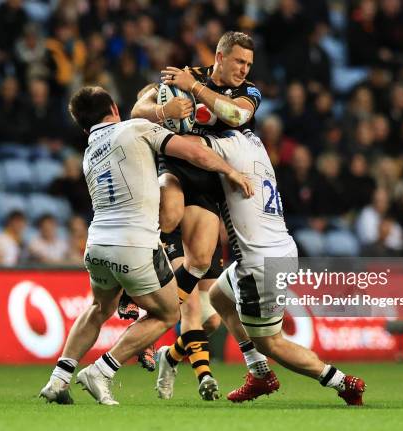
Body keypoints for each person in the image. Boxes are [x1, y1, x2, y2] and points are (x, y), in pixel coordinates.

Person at [39, 86, 252, 406]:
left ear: (85, 126)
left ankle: (58, 379)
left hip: (96, 245)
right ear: (113, 106)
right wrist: (230, 170)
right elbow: (192, 152)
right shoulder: (134, 128)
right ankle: (102, 370)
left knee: (99, 308)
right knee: (166, 313)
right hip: (134, 243)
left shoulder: (88, 152)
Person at [131, 31, 262, 400]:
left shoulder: (248, 93)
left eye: (249, 64)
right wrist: (162, 112)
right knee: (188, 300)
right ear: (219, 56)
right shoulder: (184, 76)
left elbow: (235, 116)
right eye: (239, 61)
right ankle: (202, 374)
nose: (244, 70)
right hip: (175, 171)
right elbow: (137, 109)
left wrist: (197, 89)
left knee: (211, 312)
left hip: (209, 189)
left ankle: (168, 358)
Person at [204, 129, 366, 405]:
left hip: (259, 260)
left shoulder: (224, 147)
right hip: (276, 248)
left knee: (271, 343)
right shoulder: (254, 144)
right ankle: (259, 374)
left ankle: (344, 382)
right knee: (219, 296)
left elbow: (190, 149)